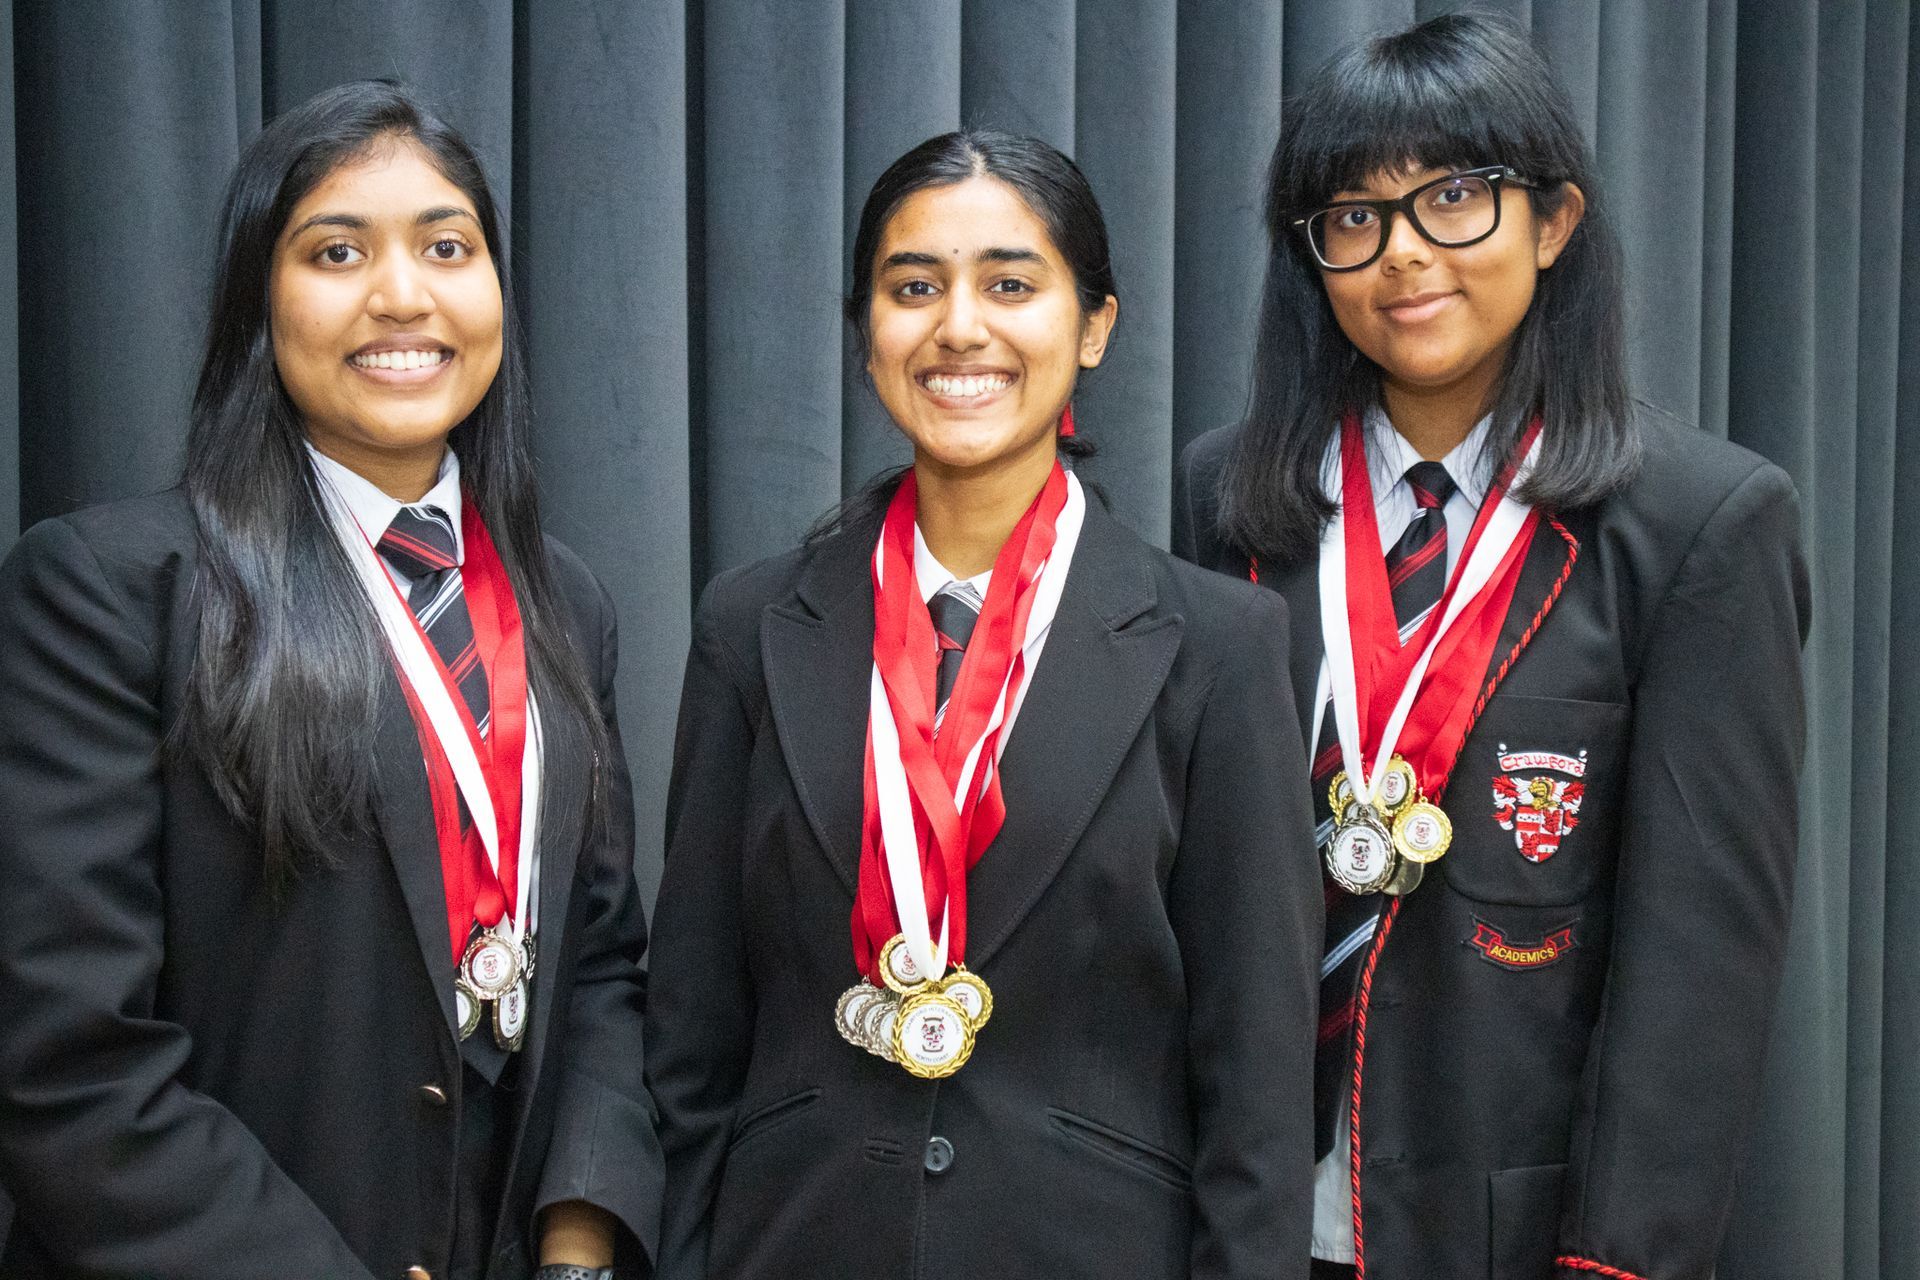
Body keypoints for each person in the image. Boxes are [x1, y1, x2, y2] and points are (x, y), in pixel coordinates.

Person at [1176, 15, 1809, 1280]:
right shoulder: (1233, 499)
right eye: (1353, 217)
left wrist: (1617, 1259)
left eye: (1453, 199)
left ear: (1555, 221)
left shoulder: (1699, 523)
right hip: (1243, 1216)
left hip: (1506, 1228)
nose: (1402, 255)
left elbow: (1699, 971)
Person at [0, 81, 660, 1279]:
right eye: (337, 249)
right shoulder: (106, 591)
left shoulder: (565, 601)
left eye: (447, 246)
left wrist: (578, 1243)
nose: (402, 294)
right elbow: (68, 1058)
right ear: (260, 296)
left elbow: (601, 964)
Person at [645, 129, 1320, 1280]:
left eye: (1011, 282)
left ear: (1094, 324)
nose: (960, 326)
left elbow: (1257, 1086)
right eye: (915, 288)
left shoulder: (1218, 645)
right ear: (867, 334)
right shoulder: (752, 627)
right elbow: (692, 1042)